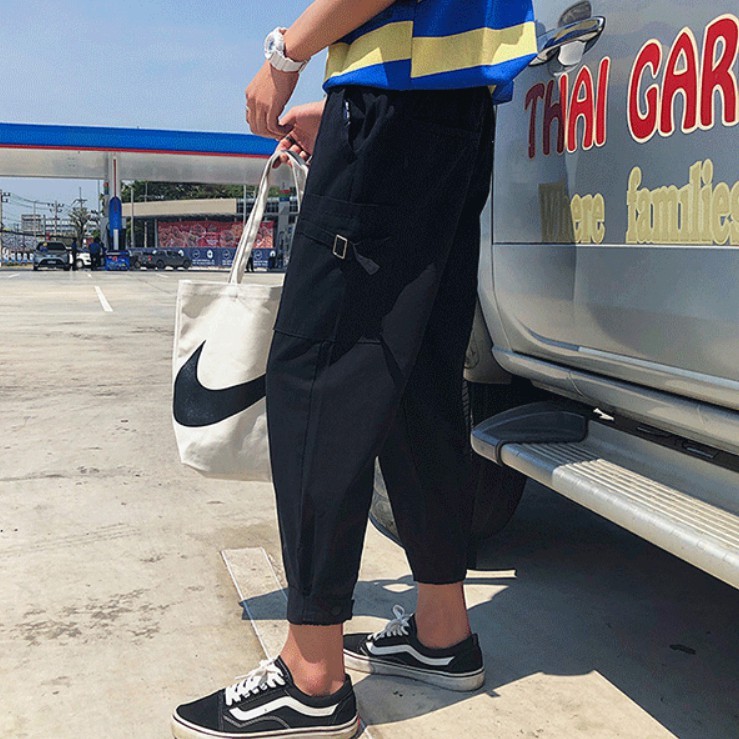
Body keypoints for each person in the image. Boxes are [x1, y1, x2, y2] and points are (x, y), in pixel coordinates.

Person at [171, 2, 536, 737]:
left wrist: (288, 53)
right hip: (453, 113)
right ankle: (440, 631)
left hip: (395, 112)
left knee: (318, 372)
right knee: (418, 379)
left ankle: (311, 676)